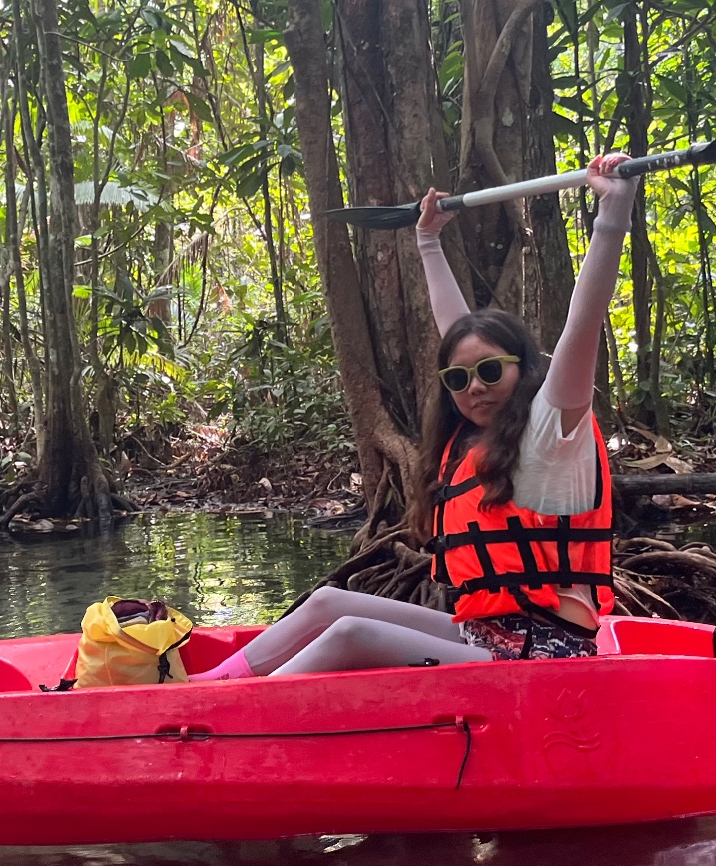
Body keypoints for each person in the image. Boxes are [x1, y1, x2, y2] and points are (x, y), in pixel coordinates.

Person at [191, 155, 639, 678]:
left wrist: (613, 211)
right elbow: (458, 333)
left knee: (353, 632)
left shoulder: (551, 433)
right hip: (484, 635)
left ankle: (239, 718)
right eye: (458, 379)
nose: (474, 386)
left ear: (526, 371)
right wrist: (429, 241)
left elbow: (582, 326)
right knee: (330, 604)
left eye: (491, 372)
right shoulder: (478, 435)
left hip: (543, 655)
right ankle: (209, 689)